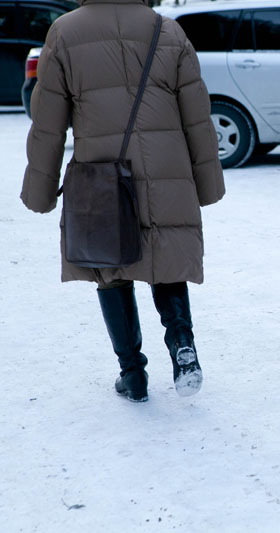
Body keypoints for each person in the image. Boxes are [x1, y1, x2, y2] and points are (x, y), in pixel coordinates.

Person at [20, 0, 225, 402]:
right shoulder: (168, 31)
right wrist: (207, 184)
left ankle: (133, 375)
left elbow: (48, 124)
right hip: (169, 168)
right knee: (166, 258)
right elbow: (197, 116)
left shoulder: (64, 32)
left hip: (103, 172)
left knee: (110, 268)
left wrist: (40, 191)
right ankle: (183, 346)